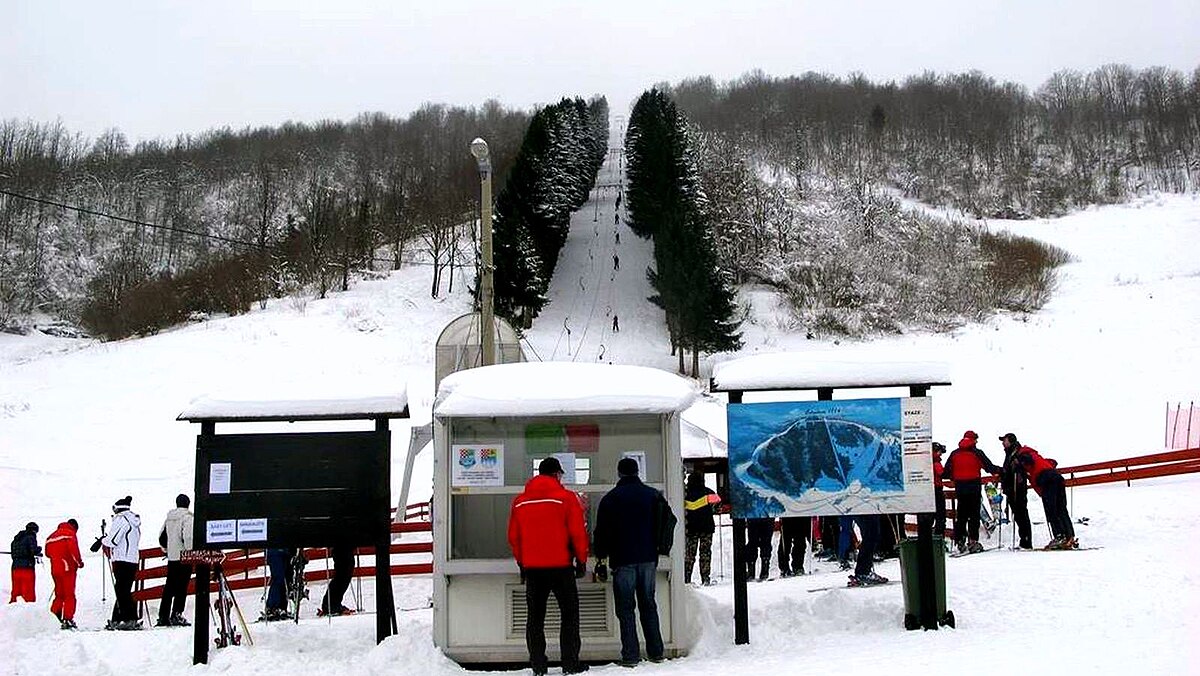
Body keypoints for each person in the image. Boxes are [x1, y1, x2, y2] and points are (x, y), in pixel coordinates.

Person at [508, 457, 590, 676]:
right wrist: (581, 560)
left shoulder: (520, 501)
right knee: (569, 615)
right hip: (561, 567)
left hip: (534, 569)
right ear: (555, 474)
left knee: (535, 618)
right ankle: (570, 664)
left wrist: (522, 562)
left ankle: (538, 665)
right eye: (560, 474)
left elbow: (514, 537)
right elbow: (577, 533)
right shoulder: (566, 498)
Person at [594, 457, 675, 668]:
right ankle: (656, 651)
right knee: (648, 604)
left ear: (619, 474)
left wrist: (601, 558)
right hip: (648, 558)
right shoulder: (652, 495)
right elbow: (668, 520)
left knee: (626, 608)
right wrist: (661, 548)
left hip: (623, 560)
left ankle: (630, 655)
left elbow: (601, 533)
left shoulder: (610, 499)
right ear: (638, 472)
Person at [943, 431, 1001, 553]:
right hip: (973, 486)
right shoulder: (977, 453)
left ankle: (960, 541)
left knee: (962, 515)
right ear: (974, 440)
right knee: (974, 515)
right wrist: (1002, 471)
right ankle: (973, 541)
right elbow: (989, 467)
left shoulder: (954, 454)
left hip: (960, 487)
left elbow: (946, 472)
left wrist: (955, 477)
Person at [1014, 441, 1077, 549]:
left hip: (1046, 480)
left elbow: (1028, 461)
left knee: (1051, 509)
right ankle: (1069, 536)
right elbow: (1052, 462)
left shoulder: (1022, 455)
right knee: (1061, 509)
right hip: (1057, 477)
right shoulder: (1036, 456)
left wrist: (1019, 463)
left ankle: (1059, 536)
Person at [102, 495, 142, 630]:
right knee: (123, 590)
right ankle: (117, 618)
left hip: (121, 559)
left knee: (121, 590)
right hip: (132, 559)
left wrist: (103, 540)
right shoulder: (134, 521)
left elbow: (112, 540)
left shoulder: (121, 520)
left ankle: (129, 618)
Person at [156, 493, 194, 627]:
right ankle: (177, 614)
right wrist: (190, 551)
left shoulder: (169, 518)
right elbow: (188, 537)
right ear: (188, 504)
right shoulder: (187, 518)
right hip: (184, 557)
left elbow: (162, 537)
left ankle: (163, 616)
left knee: (169, 586)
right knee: (182, 587)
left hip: (172, 557)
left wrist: (167, 550)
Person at [45, 519, 84, 629]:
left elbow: (47, 553)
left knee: (59, 594)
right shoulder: (70, 534)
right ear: (74, 527)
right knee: (69, 595)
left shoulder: (51, 536)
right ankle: (68, 619)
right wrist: (79, 563)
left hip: (54, 569)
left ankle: (53, 617)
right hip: (67, 569)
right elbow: (74, 551)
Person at [998, 433, 1034, 549]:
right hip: (1012, 488)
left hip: (1017, 488)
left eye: (1005, 440)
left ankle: (1026, 541)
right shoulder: (1010, 453)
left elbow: (1028, 460)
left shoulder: (1017, 452)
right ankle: (1024, 540)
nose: (1003, 443)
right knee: (1019, 515)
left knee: (1021, 514)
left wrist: (1018, 462)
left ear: (1011, 441)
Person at [683, 472, 717, 585]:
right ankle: (705, 578)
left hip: (690, 528)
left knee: (689, 554)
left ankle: (687, 578)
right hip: (706, 528)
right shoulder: (709, 492)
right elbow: (718, 506)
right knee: (705, 553)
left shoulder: (685, 493)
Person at [848, 514, 888, 586]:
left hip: (865, 510)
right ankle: (863, 572)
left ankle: (863, 571)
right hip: (866, 510)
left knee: (870, 536)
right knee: (871, 535)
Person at [318, 545, 356, 617]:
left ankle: (331, 604)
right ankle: (331, 605)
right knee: (343, 574)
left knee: (343, 574)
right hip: (341, 546)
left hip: (343, 547)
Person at [9, 522, 41, 603]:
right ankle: (28, 613)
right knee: (28, 593)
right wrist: (39, 549)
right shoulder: (30, 537)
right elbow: (33, 550)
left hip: (15, 568)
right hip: (27, 568)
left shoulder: (16, 540)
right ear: (34, 530)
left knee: (16, 591)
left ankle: (11, 611)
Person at [263, 548, 296, 621]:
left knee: (286, 579)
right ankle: (272, 607)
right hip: (276, 551)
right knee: (278, 578)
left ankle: (282, 607)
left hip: (287, 552)